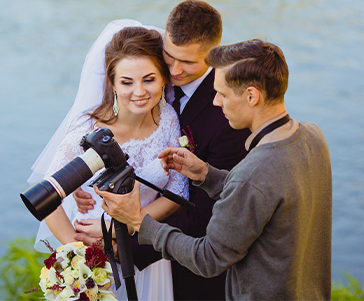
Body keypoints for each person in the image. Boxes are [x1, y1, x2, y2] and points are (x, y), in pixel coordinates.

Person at [95, 39, 333, 300]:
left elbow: (208, 259)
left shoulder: (252, 174)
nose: (217, 102)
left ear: (251, 96)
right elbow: (263, 194)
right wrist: (207, 174)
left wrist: (140, 221)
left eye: (222, 94)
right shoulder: (312, 136)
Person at [73, 0, 251, 300]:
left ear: (214, 55)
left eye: (189, 63)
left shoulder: (228, 118)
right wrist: (82, 181)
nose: (175, 70)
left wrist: (123, 239)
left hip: (184, 265)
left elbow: (206, 215)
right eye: (169, 57)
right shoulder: (149, 78)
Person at [26, 21, 189, 300]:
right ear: (112, 83)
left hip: (148, 254)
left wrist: (122, 226)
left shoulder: (169, 121)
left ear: (164, 78)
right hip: (98, 257)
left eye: (148, 79)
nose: (139, 92)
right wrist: (78, 252)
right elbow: (46, 196)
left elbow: (177, 193)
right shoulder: (89, 130)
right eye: (126, 82)